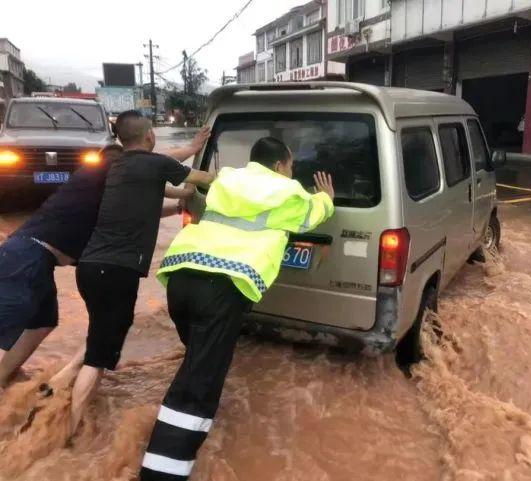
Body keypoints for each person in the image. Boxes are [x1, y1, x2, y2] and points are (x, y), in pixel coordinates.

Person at [139, 137, 335, 481]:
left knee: (197, 360)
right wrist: (327, 198)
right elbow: (312, 216)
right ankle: (162, 472)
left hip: (181, 277)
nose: (291, 172)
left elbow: (201, 188)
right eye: (290, 166)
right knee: (198, 384)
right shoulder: (288, 191)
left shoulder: (227, 178)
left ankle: (184, 432)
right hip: (222, 286)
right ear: (279, 165)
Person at [0, 123, 210, 390]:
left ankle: (7, 388)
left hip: (34, 257)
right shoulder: (119, 165)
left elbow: (142, 206)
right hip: (26, 258)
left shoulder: (107, 184)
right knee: (6, 330)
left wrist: (178, 204)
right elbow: (158, 163)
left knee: (43, 324)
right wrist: (191, 152)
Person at [66, 110, 215, 435]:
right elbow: (204, 180)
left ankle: (57, 387)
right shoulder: (154, 164)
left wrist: (180, 201)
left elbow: (153, 201)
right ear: (150, 136)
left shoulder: (120, 166)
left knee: (98, 339)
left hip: (90, 268)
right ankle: (71, 431)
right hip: (117, 272)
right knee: (98, 358)